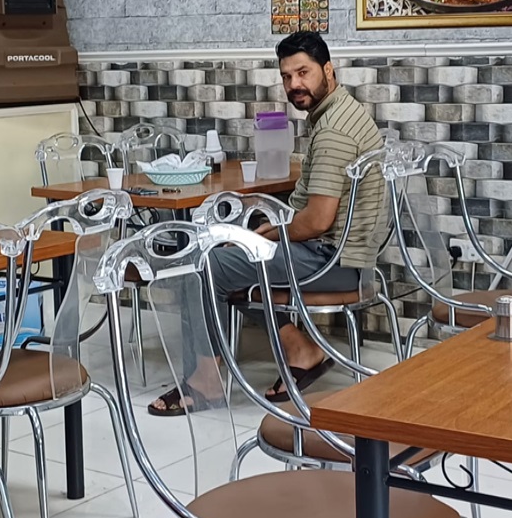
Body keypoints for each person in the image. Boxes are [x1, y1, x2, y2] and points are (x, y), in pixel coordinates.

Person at [149, 31, 386, 416]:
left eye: (304, 72)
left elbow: (317, 221)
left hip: (333, 262)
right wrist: (257, 234)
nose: (295, 84)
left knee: (205, 263)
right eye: (287, 76)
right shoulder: (342, 112)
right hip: (344, 256)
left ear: (328, 70)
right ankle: (300, 349)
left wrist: (267, 234)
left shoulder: (334, 131)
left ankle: (206, 382)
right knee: (234, 253)